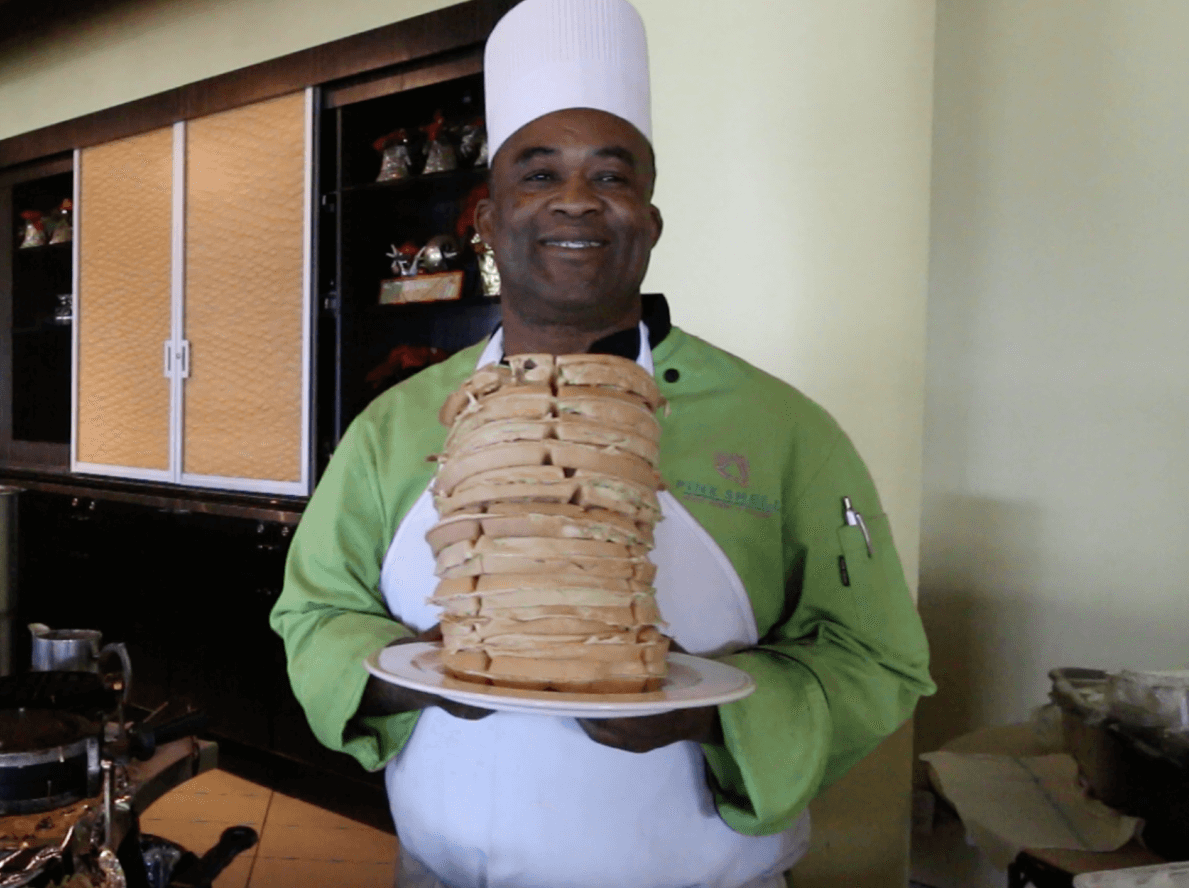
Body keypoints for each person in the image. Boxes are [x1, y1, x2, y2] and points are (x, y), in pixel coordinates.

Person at [267, 1, 935, 885]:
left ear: (649, 222)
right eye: (538, 175)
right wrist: (422, 675)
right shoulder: (397, 424)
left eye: (611, 177)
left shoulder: (782, 429)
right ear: (488, 218)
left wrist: (707, 716)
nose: (576, 199)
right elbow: (312, 612)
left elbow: (875, 659)